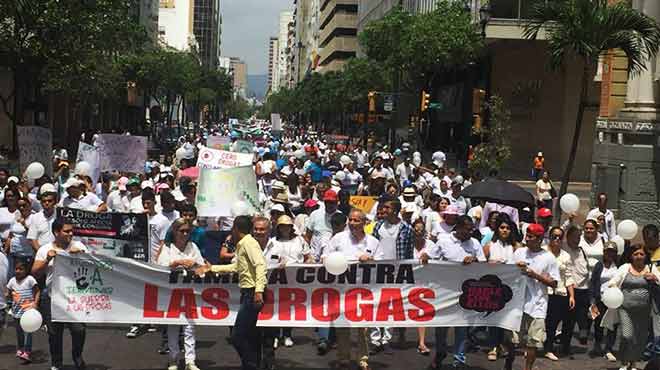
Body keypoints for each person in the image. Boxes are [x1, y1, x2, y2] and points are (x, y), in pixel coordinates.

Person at [196, 216, 267, 370]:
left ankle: (251, 366)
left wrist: (259, 291)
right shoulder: (243, 244)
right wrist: (213, 268)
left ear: (236, 228)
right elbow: (236, 267)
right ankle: (252, 365)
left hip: (252, 293)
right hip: (248, 293)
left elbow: (260, 265)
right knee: (250, 335)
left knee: (237, 336)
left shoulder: (248, 243)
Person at [420, 215, 486, 368]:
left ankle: (459, 359)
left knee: (462, 327)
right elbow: (430, 258)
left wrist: (474, 260)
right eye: (467, 229)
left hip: (465, 292)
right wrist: (425, 257)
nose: (470, 233)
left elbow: (483, 264)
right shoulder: (444, 241)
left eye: (472, 230)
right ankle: (441, 351)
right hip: (445, 291)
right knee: (441, 326)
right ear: (459, 227)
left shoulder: (475, 243)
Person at [323, 209, 380, 370]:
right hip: (341, 290)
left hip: (364, 291)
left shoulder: (373, 242)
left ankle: (362, 359)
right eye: (351, 220)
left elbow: (384, 265)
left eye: (357, 220)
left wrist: (372, 259)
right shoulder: (338, 238)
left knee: (363, 328)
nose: (353, 223)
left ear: (365, 222)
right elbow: (324, 256)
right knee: (342, 327)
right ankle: (344, 359)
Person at [32, 219, 88, 370]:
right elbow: (35, 273)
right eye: (67, 231)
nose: (71, 234)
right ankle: (57, 363)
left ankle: (77, 357)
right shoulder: (44, 249)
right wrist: (48, 259)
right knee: (54, 334)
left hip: (74, 299)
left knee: (79, 330)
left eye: (72, 231)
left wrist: (81, 255)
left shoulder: (79, 246)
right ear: (56, 232)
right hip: (52, 298)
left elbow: (92, 267)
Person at [502, 223, 559, 370]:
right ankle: (510, 359)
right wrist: (516, 268)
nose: (527, 239)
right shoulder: (519, 252)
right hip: (517, 302)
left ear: (539, 239)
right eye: (526, 235)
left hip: (537, 304)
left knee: (533, 342)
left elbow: (554, 283)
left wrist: (534, 275)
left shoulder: (549, 258)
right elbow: (507, 273)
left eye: (531, 237)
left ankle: (528, 368)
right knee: (512, 340)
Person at [599, 244, 660, 370]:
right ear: (631, 256)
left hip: (644, 310)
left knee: (640, 338)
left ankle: (633, 363)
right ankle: (624, 362)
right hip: (625, 309)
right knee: (627, 336)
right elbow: (613, 281)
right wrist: (613, 286)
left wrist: (654, 278)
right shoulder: (625, 268)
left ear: (645, 256)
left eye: (641, 254)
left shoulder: (650, 268)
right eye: (635, 254)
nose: (638, 257)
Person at [158, 219, 204, 370]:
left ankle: (190, 361)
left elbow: (202, 267)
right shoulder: (167, 247)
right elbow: (159, 267)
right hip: (171, 293)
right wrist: (177, 263)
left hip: (190, 292)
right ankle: (173, 359)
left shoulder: (193, 247)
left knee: (190, 327)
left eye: (187, 231)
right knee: (173, 326)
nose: (184, 234)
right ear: (174, 231)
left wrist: (194, 265)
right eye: (181, 230)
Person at [264, 215, 311, 349]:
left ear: (291, 227)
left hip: (294, 279)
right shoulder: (272, 241)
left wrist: (308, 263)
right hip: (276, 280)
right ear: (278, 228)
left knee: (289, 307)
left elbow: (308, 256)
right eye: (282, 226)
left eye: (287, 226)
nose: (285, 228)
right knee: (276, 307)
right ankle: (275, 336)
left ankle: (287, 335)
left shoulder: (299, 240)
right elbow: (266, 259)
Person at [542, 227, 576, 362]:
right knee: (539, 321)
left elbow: (568, 277)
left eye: (560, 237)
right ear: (549, 237)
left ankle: (548, 349)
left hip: (559, 293)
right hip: (543, 291)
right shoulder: (542, 252)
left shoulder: (565, 256)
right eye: (554, 236)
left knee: (553, 323)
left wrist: (572, 296)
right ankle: (532, 347)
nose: (557, 239)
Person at [562, 225, 592, 356]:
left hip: (584, 289)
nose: (577, 240)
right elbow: (561, 230)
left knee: (584, 316)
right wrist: (570, 220)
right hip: (571, 290)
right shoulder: (564, 248)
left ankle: (583, 335)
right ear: (568, 237)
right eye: (574, 237)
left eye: (579, 237)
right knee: (569, 320)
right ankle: (565, 345)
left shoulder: (582, 251)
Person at [589, 241, 619, 362]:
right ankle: (597, 344)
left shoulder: (619, 265)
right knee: (598, 324)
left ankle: (609, 349)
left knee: (612, 325)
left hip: (615, 300)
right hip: (600, 299)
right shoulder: (599, 265)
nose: (610, 254)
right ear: (604, 252)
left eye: (612, 251)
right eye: (607, 251)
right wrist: (592, 300)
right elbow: (593, 282)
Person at [6, 258, 40, 363]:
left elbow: (37, 291)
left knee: (27, 332)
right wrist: (7, 297)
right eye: (16, 269)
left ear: (26, 270)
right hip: (16, 312)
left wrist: (35, 303)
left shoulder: (30, 279)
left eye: (21, 269)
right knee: (19, 332)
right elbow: (8, 292)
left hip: (28, 312)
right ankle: (20, 349)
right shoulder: (12, 281)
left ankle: (27, 352)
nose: (18, 271)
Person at [412, 219, 433, 356]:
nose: (419, 232)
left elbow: (438, 258)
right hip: (407, 281)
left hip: (424, 281)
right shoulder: (407, 244)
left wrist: (429, 256)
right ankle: (401, 335)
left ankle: (421, 342)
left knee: (422, 311)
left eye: (421, 229)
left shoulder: (430, 245)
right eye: (416, 229)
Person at [305, 189, 340, 261]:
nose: (329, 204)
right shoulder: (315, 214)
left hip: (333, 256)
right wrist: (307, 255)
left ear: (337, 202)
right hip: (314, 256)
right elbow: (308, 236)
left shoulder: (341, 216)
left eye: (332, 202)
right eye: (327, 202)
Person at [27, 185, 58, 253]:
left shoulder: (60, 216)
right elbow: (32, 239)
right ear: (41, 203)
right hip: (41, 254)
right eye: (44, 201)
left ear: (55, 202)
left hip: (58, 254)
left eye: (50, 201)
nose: (47, 203)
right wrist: (42, 254)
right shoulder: (36, 217)